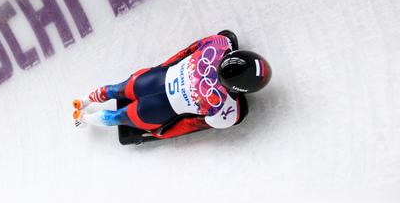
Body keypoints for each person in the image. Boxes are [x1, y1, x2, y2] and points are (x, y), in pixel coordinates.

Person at [72, 30, 271, 139]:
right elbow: (190, 124)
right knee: (118, 117)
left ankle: (83, 100)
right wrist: (161, 133)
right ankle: (84, 118)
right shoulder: (226, 111)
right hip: (154, 111)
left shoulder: (218, 43)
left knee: (117, 89)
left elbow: (184, 53)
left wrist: (161, 67)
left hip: (151, 79)